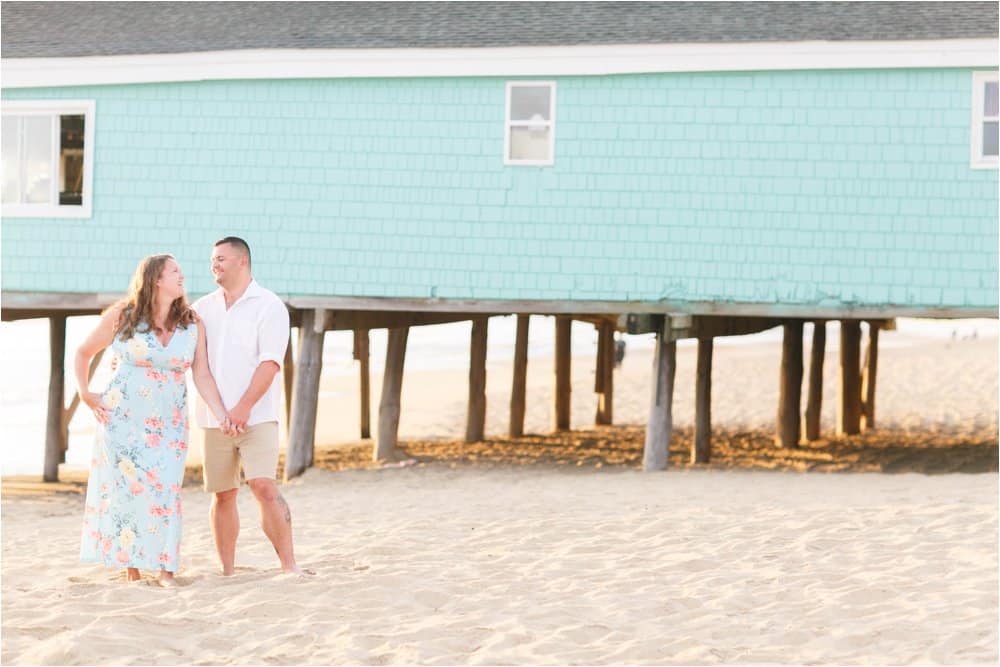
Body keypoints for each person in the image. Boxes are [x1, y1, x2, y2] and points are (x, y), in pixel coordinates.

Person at [77, 254, 232, 585]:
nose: (182, 276)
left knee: (166, 490)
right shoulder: (124, 315)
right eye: (174, 272)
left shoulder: (192, 323)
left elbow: (202, 374)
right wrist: (84, 392)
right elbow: (83, 352)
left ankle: (166, 570)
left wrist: (221, 415)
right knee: (128, 492)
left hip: (170, 426)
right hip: (122, 420)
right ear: (155, 280)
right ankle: (132, 568)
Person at [193, 236, 310, 576]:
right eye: (212, 259)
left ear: (242, 261)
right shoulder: (201, 309)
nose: (214, 264)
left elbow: (270, 363)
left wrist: (242, 408)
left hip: (257, 416)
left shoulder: (269, 305)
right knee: (223, 494)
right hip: (213, 418)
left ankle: (289, 565)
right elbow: (196, 364)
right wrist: (221, 413)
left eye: (221, 259)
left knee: (263, 486)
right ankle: (227, 570)